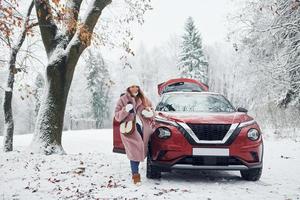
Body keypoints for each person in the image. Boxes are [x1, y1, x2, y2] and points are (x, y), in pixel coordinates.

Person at [114, 77, 156, 185]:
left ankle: (136, 171)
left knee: (140, 150)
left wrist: (150, 113)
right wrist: (125, 110)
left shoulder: (144, 99)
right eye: (132, 86)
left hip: (143, 128)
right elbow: (117, 116)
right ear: (128, 87)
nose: (134, 88)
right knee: (134, 152)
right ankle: (135, 175)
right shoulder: (123, 99)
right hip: (130, 129)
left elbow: (152, 110)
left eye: (136, 86)